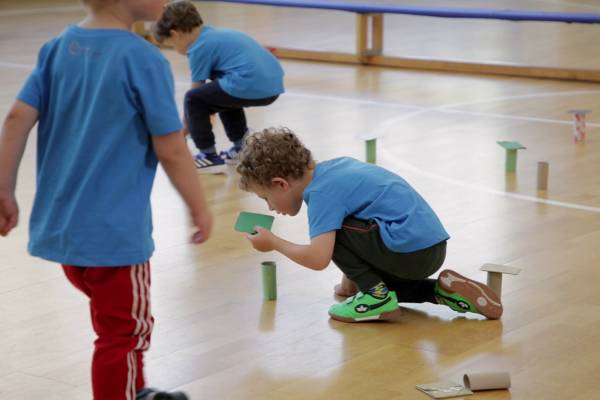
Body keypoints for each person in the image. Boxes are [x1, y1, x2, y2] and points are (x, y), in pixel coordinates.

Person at [0, 0, 213, 398]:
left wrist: (3, 188)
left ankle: (133, 390)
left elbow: (16, 120)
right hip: (114, 242)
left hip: (65, 235)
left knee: (114, 323)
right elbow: (170, 148)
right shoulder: (143, 59)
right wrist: (198, 207)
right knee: (124, 334)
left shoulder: (57, 47)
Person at [236, 127, 503, 323]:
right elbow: (364, 220)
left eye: (266, 198)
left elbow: (318, 258)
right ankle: (441, 292)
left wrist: (274, 243)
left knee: (339, 239)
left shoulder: (320, 194)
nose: (270, 207)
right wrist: (350, 281)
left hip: (407, 250)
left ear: (281, 184)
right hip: (426, 247)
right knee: (388, 289)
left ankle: (376, 298)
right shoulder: (333, 169)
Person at [153, 0, 285, 173]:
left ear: (176, 34)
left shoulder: (198, 47)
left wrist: (184, 131)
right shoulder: (213, 34)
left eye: (171, 44)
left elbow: (194, 94)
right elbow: (214, 95)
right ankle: (242, 147)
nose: (175, 48)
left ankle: (208, 156)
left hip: (250, 81)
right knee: (221, 92)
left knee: (194, 99)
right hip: (272, 84)